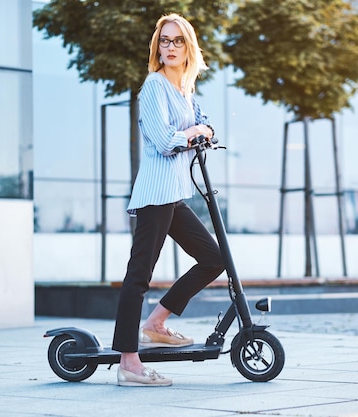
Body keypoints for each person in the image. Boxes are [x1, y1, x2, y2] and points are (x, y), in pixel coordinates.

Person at [112, 13, 225, 387]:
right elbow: (164, 142)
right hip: (155, 195)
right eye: (165, 41)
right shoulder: (154, 87)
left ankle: (156, 322)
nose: (171, 47)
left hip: (175, 194)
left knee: (213, 258)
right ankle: (129, 363)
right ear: (157, 47)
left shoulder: (184, 89)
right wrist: (193, 132)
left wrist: (199, 129)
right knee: (139, 276)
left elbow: (206, 124)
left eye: (178, 41)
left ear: (189, 46)